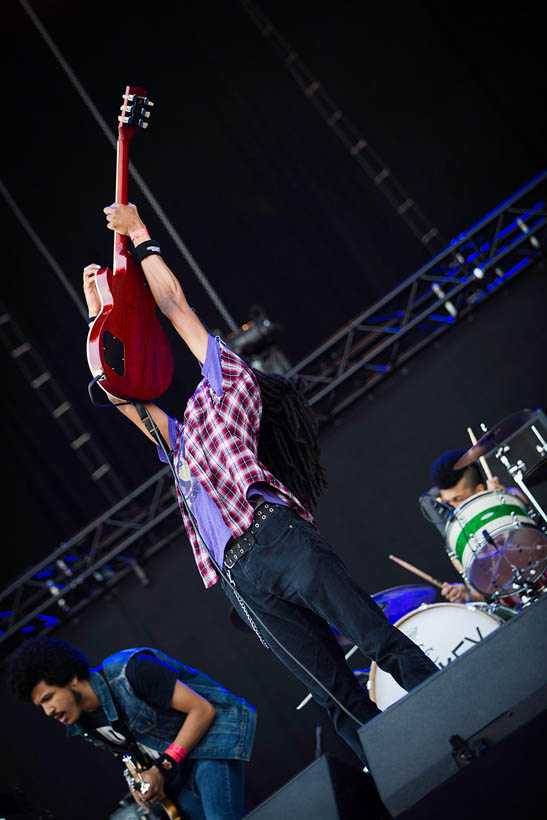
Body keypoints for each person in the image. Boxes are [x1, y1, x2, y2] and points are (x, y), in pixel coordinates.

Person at [83, 201, 438, 763]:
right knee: (331, 693)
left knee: (374, 639)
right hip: (240, 577)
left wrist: (141, 235)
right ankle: (400, 765)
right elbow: (123, 397)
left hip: (276, 537)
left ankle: (451, 717)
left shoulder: (229, 390)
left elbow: (174, 305)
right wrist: (99, 315)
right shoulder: (182, 438)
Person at [7, 636, 255, 819]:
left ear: (71, 678)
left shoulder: (132, 670)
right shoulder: (81, 722)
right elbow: (125, 749)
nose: (48, 712)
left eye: (48, 697)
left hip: (209, 746)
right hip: (176, 775)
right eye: (40, 706)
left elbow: (203, 710)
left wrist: (162, 767)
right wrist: (133, 778)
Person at [419, 449, 524, 604]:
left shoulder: (511, 498)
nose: (454, 508)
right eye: (449, 503)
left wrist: (504, 505)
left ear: (479, 490)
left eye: (458, 499)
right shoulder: (458, 539)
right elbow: (480, 597)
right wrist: (465, 595)